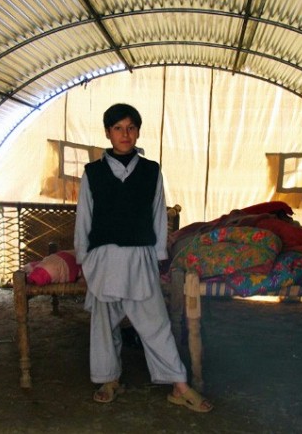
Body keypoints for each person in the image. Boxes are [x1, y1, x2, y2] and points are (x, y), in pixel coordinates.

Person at [74, 103, 213, 413]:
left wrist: (158, 254)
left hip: (139, 258)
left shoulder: (151, 170)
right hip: (104, 259)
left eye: (131, 128)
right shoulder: (93, 173)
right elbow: (84, 217)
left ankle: (178, 384)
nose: (125, 134)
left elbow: (157, 214)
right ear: (108, 133)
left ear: (137, 131)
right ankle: (109, 379)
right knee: (103, 323)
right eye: (118, 128)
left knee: (155, 323)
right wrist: (83, 259)